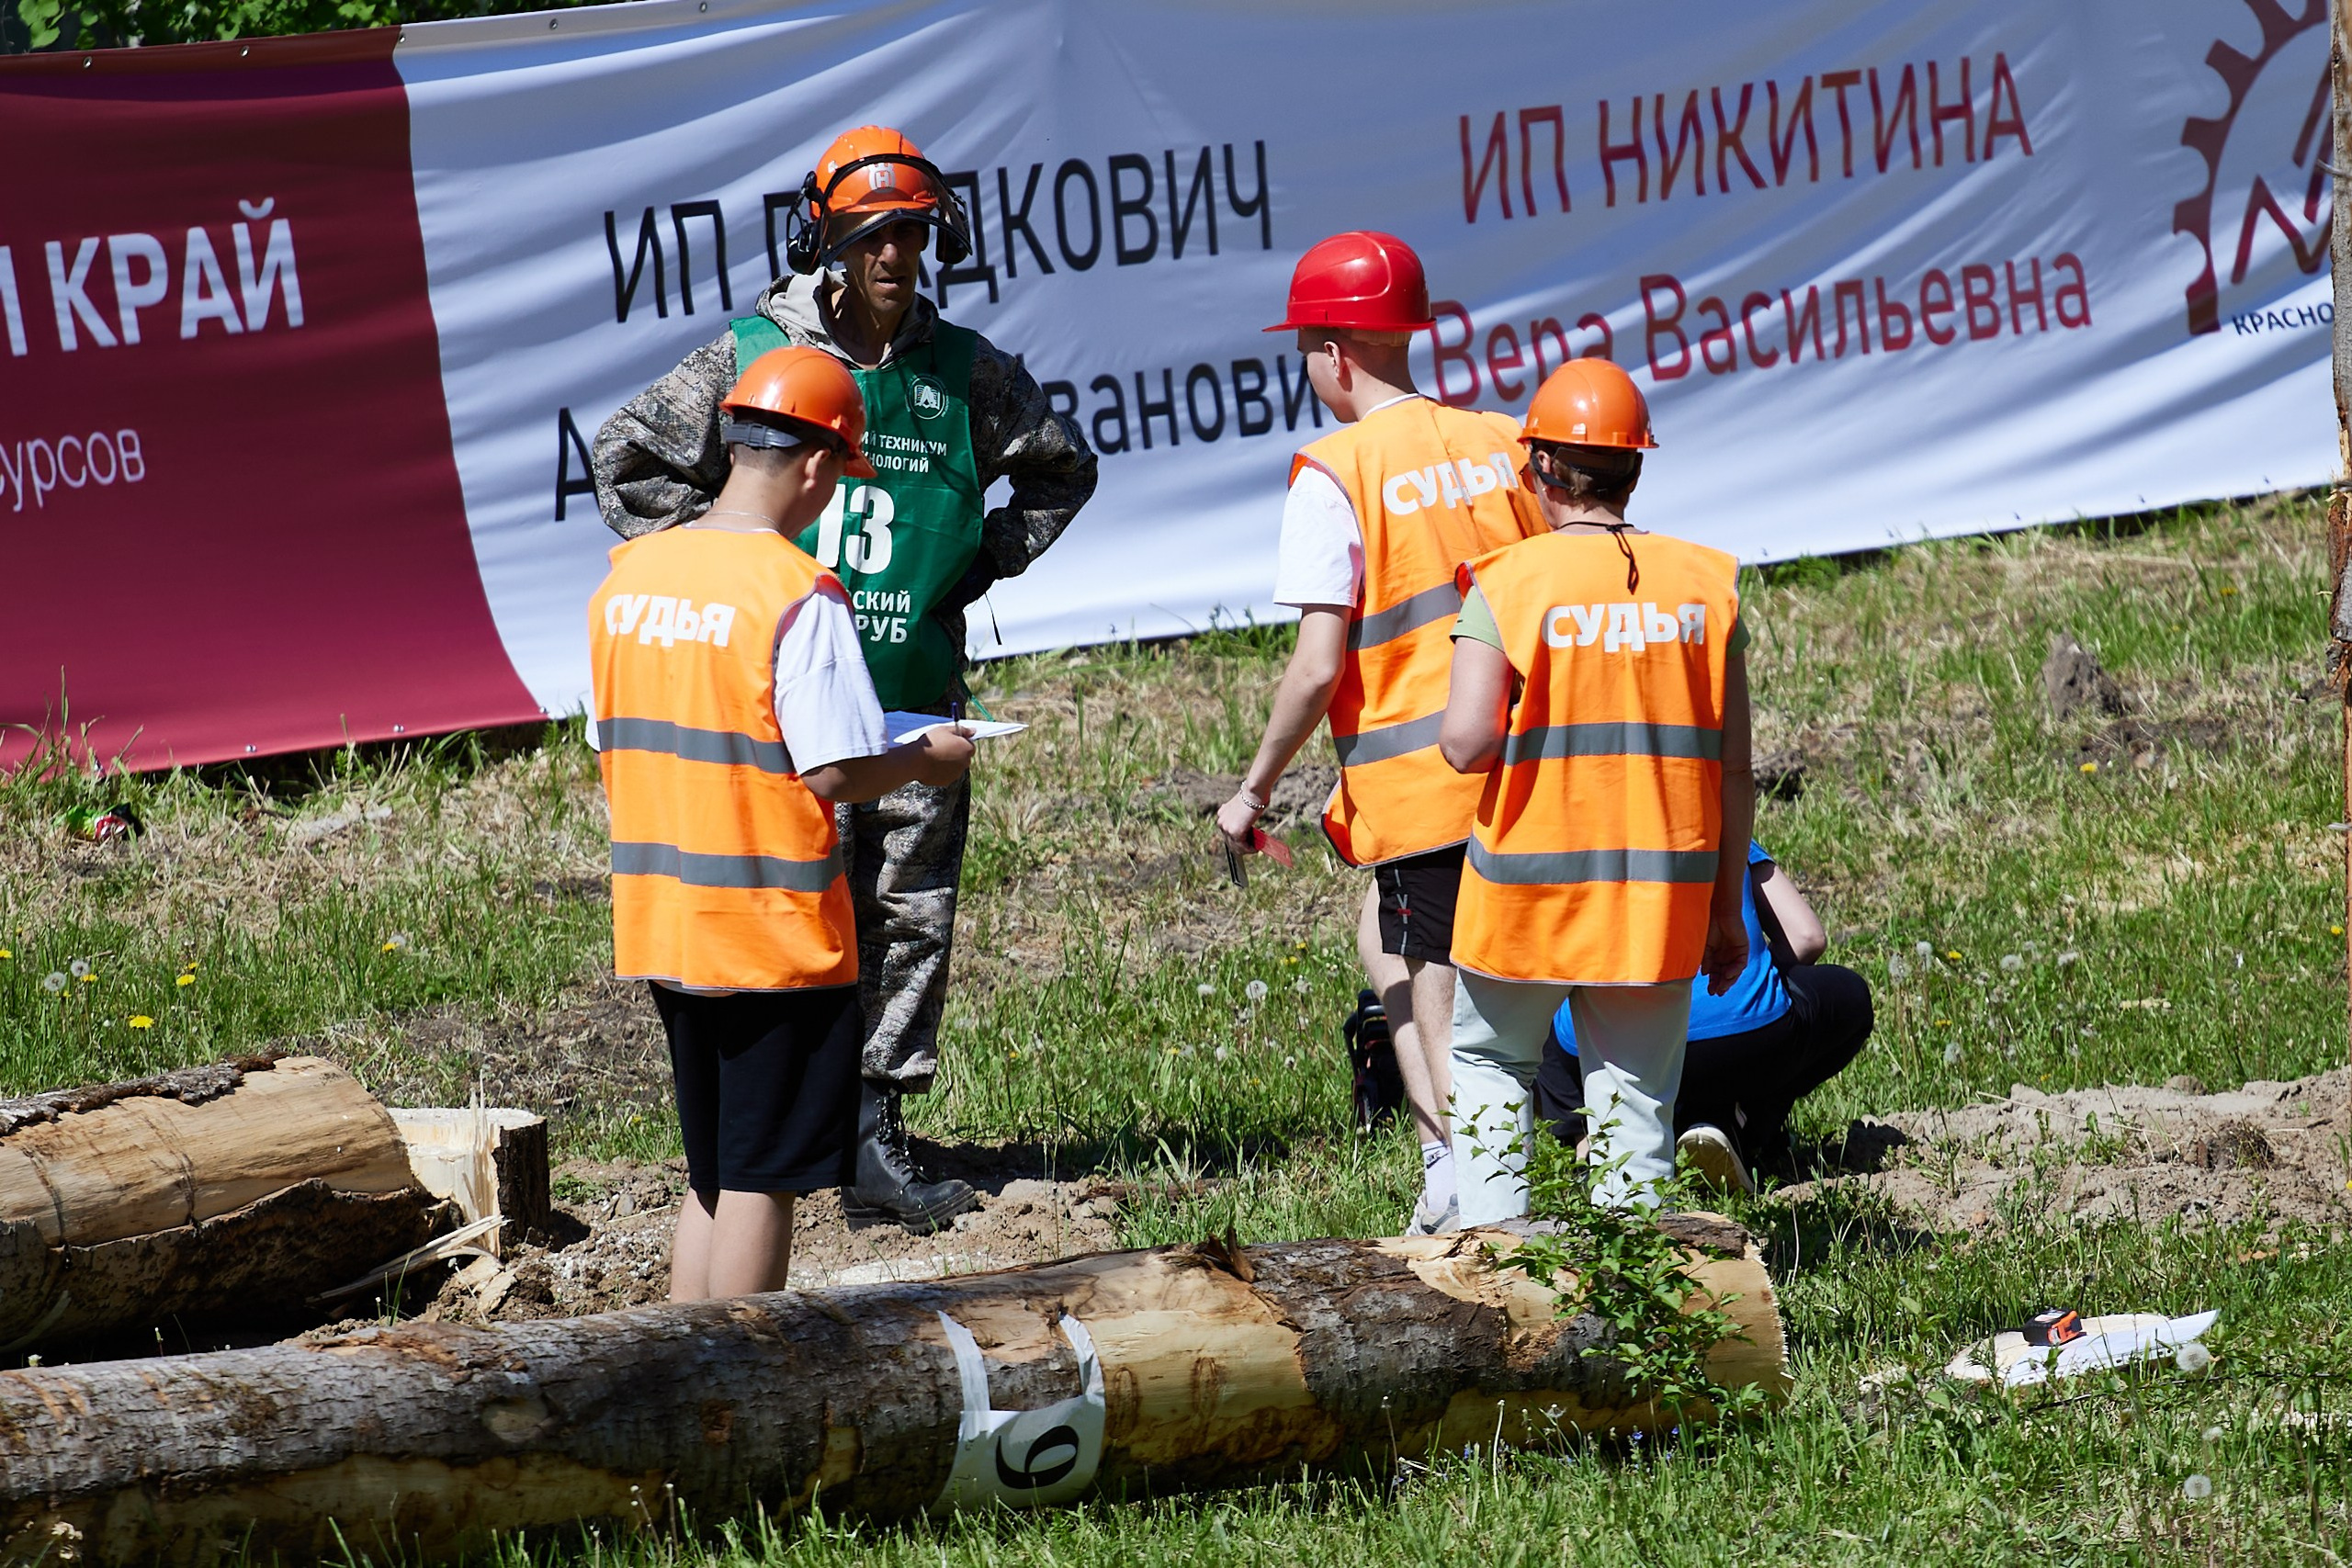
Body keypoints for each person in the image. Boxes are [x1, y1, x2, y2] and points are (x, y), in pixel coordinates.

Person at [594, 126, 1097, 1234]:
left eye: (912, 236)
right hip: (775, 698)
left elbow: (1065, 469)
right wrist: (724, 561)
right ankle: (772, 1132)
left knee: (907, 909)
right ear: (827, 238)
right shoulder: (755, 354)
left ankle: (874, 1127)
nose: (892, 258)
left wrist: (972, 565)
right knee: (784, 899)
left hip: (908, 683)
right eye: (871, 237)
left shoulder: (966, 371)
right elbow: (625, 460)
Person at [588, 346, 975, 1297]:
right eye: (842, 475)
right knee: (766, 1181)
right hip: (769, 934)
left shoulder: (630, 576)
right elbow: (837, 768)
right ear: (814, 468)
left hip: (667, 922)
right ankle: (742, 1394)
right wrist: (930, 755)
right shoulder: (797, 592)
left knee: (713, 1171)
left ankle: (680, 1372)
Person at [1213, 231, 1543, 1235]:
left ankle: (1469, 1192)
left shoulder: (1334, 471)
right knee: (1388, 939)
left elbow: (1318, 666)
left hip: (1420, 789)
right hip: (1519, 769)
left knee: (1432, 979)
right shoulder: (1500, 441)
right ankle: (1468, 1161)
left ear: (1333, 354)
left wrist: (1252, 793)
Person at [1437, 357, 1754, 1218]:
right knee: (1635, 1099)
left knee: (1493, 1065)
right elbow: (1734, 771)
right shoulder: (1707, 586)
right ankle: (1636, 1306)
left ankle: (1498, 1273)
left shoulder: (1507, 582)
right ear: (1637, 466)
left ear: (1538, 466)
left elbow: (1465, 744)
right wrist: (1727, 914)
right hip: (1656, 900)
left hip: (1524, 898)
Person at [1535, 841, 1875, 1192]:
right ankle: (1741, 1129)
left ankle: (1588, 1144)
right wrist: (1754, 977)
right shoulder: (1716, 812)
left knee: (1536, 1003)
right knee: (1849, 997)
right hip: (1745, 1031)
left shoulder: (1575, 827)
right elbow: (1807, 938)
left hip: (1606, 1047)